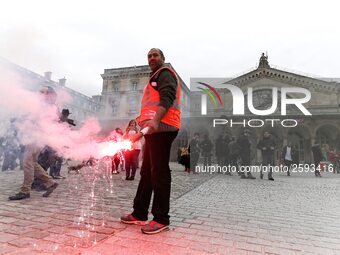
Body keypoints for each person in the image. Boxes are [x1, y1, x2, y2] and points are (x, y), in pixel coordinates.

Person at [120, 48, 180, 234]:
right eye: (149, 55)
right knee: (147, 172)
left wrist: (155, 121)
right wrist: (138, 123)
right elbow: (149, 109)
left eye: (155, 55)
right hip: (153, 129)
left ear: (163, 58)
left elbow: (167, 99)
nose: (152, 58)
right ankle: (140, 213)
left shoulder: (165, 74)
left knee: (159, 172)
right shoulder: (153, 77)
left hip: (163, 127)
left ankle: (161, 218)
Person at [9, 86, 58, 200]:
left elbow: (35, 119)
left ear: (48, 94)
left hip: (35, 137)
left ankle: (25, 191)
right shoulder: (49, 106)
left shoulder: (44, 105)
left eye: (42, 91)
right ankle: (50, 182)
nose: (39, 92)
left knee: (27, 162)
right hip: (38, 137)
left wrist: (21, 119)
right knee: (33, 163)